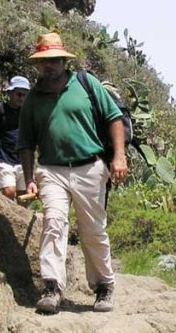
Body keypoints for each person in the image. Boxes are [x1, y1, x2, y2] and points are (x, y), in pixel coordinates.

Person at [17, 33, 127, 315]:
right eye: (44, 62)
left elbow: (113, 118)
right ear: (37, 65)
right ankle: (52, 287)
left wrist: (119, 156)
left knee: (92, 230)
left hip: (89, 167)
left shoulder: (85, 84)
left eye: (54, 60)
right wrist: (29, 178)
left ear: (64, 61)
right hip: (52, 169)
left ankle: (103, 286)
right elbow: (26, 144)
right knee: (53, 222)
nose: (49, 66)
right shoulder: (32, 99)